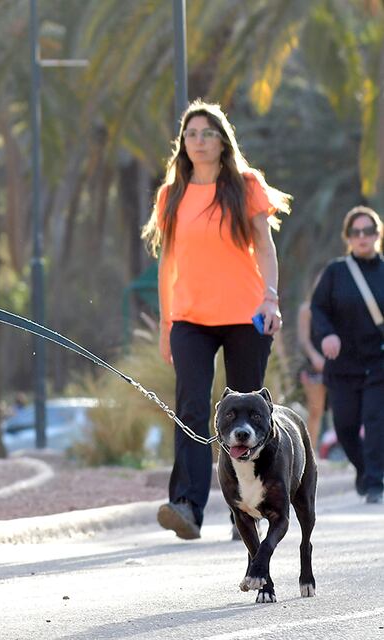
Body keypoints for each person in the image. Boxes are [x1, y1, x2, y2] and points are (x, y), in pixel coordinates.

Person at [141, 100, 292, 540]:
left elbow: (265, 246)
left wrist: (271, 299)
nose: (199, 141)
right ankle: (186, 505)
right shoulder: (172, 195)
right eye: (191, 133)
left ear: (222, 141)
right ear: (182, 143)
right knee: (190, 407)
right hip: (190, 319)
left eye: (208, 133)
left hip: (246, 316)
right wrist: (167, 325)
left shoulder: (246, 185)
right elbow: (168, 264)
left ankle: (245, 510)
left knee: (247, 415)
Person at [310, 205, 384, 504]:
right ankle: (366, 470)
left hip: (378, 362)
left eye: (368, 231)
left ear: (377, 234)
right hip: (342, 365)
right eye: (356, 232)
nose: (362, 236)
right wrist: (327, 334)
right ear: (348, 237)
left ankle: (375, 481)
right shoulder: (335, 272)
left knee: (375, 421)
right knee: (345, 426)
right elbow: (318, 308)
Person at [297, 284, 328, 449]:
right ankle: (309, 452)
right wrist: (315, 357)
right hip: (313, 367)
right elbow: (304, 340)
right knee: (316, 411)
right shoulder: (307, 309)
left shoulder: (338, 308)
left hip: (338, 366)